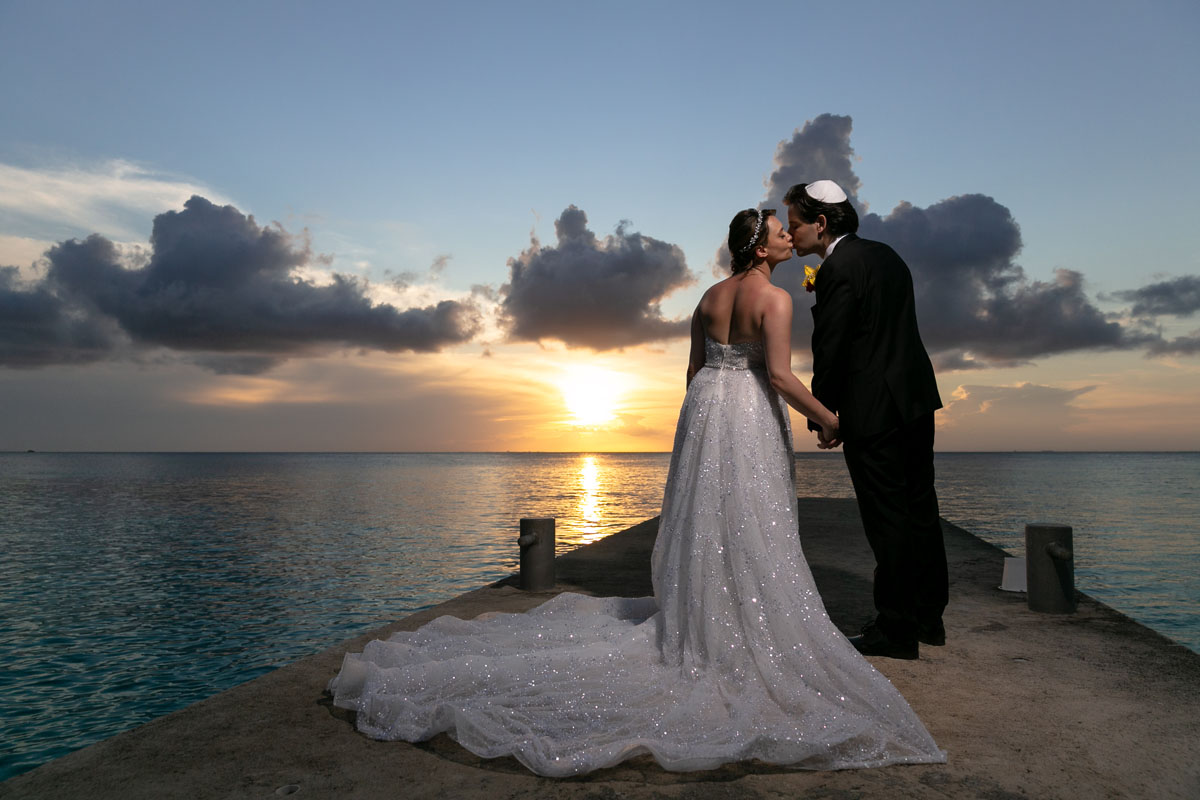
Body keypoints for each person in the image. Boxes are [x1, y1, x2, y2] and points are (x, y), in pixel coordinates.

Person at [326, 208, 946, 776]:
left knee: (709, 513)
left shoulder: (708, 297)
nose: (790, 235)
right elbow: (780, 375)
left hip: (706, 411)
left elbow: (694, 373)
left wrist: (700, 425)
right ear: (761, 249)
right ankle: (737, 617)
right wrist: (830, 418)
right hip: (749, 410)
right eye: (780, 230)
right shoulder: (776, 300)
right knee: (753, 517)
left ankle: (706, 612)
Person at [785, 180, 949, 661]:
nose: (792, 235)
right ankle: (927, 618)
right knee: (920, 509)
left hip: (873, 410)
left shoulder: (837, 269)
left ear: (820, 223)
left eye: (795, 225)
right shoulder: (887, 255)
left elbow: (831, 349)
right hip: (915, 401)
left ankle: (894, 631)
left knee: (887, 519)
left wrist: (824, 415)